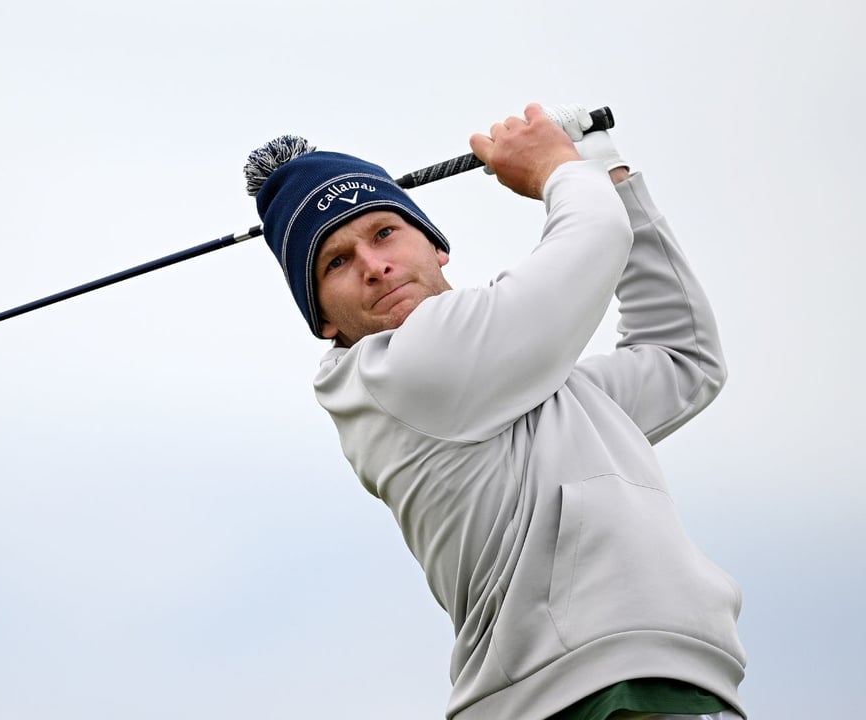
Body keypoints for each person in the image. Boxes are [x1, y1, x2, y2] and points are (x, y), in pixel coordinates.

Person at [244, 103, 747, 720]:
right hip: (577, 693)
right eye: (337, 262)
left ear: (434, 244)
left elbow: (683, 359)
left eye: (383, 233)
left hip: (635, 681)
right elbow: (592, 241)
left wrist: (605, 173)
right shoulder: (406, 366)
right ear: (322, 318)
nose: (374, 266)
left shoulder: (526, 388)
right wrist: (558, 169)